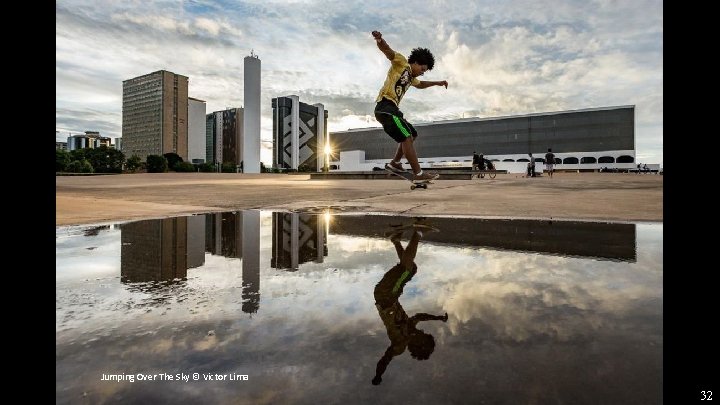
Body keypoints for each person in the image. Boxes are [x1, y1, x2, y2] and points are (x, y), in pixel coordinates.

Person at [372, 223, 448, 386]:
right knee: (410, 268)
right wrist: (438, 318)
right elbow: (420, 316)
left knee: (406, 268)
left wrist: (378, 375)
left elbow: (385, 360)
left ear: (419, 344)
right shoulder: (411, 327)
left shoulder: (400, 345)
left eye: (423, 337)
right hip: (390, 295)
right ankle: (395, 240)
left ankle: (419, 232)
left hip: (386, 296)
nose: (421, 332)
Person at [371, 30, 448, 182]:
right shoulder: (402, 63)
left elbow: (421, 85)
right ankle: (418, 174)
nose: (422, 73)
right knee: (406, 136)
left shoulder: (412, 78)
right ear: (416, 62)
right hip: (384, 106)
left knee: (412, 134)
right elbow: (388, 52)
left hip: (393, 109)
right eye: (422, 69)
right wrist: (380, 40)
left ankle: (395, 163)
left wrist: (437, 83)